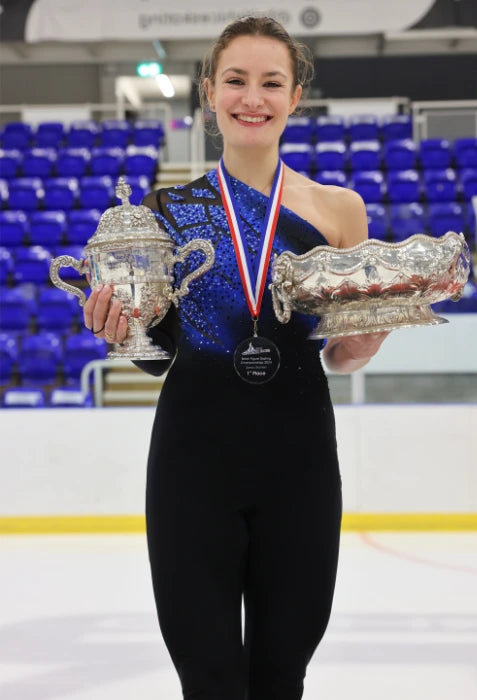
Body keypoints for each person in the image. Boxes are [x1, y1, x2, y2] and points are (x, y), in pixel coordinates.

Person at [81, 16, 388, 698]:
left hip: (299, 463)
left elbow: (340, 355)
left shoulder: (341, 211)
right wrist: (121, 333)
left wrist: (362, 342)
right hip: (194, 464)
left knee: (282, 676)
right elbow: (160, 356)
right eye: (237, 81)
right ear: (209, 92)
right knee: (210, 678)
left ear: (296, 96)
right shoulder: (166, 210)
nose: (254, 97)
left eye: (272, 82)